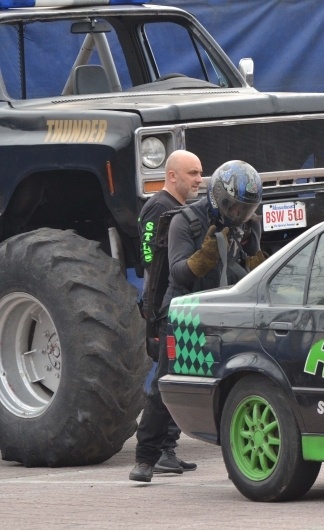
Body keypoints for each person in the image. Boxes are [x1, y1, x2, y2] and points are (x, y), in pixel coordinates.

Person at [129, 159, 266, 482]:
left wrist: (255, 249)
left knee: (234, 385)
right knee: (166, 384)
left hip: (225, 312)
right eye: (232, 207)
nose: (237, 215)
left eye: (243, 210)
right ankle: (146, 459)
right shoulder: (185, 221)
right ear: (217, 196)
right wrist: (204, 255)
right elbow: (177, 272)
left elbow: (256, 273)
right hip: (184, 314)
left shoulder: (248, 224)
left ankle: (233, 459)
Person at [133, 150, 203, 479]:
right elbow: (153, 263)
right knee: (166, 377)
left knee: (178, 376)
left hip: (180, 305)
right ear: (172, 176)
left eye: (200, 173)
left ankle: (166, 449)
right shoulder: (158, 208)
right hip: (164, 308)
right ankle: (155, 452)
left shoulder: (186, 210)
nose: (199, 179)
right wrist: (159, 308)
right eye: (192, 173)